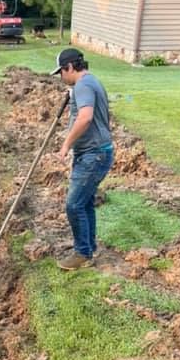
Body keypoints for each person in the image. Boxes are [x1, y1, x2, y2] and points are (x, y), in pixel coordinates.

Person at [50, 47, 114, 270]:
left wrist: (66, 145)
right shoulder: (89, 82)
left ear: (69, 67)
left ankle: (82, 254)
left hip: (93, 155)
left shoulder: (84, 86)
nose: (61, 77)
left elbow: (86, 118)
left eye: (61, 72)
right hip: (95, 152)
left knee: (74, 204)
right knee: (84, 203)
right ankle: (88, 247)